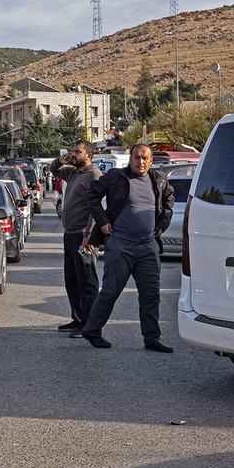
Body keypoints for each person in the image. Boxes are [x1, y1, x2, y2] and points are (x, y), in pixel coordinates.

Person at [79, 144, 174, 352]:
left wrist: (162, 224)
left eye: (145, 158)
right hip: (120, 244)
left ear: (151, 161)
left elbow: (169, 201)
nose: (141, 162)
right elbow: (93, 196)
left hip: (148, 246)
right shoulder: (115, 177)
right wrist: (102, 221)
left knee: (151, 294)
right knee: (111, 291)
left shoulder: (158, 180)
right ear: (130, 159)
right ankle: (92, 330)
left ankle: (152, 339)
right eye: (137, 157)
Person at [49, 141, 101, 337]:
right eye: (72, 151)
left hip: (83, 236)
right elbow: (53, 169)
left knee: (87, 279)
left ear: (88, 155)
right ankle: (77, 319)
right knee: (72, 279)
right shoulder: (73, 172)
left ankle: (89, 323)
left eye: (77, 152)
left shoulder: (94, 175)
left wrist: (88, 235)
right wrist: (60, 160)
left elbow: (96, 209)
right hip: (70, 234)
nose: (73, 154)